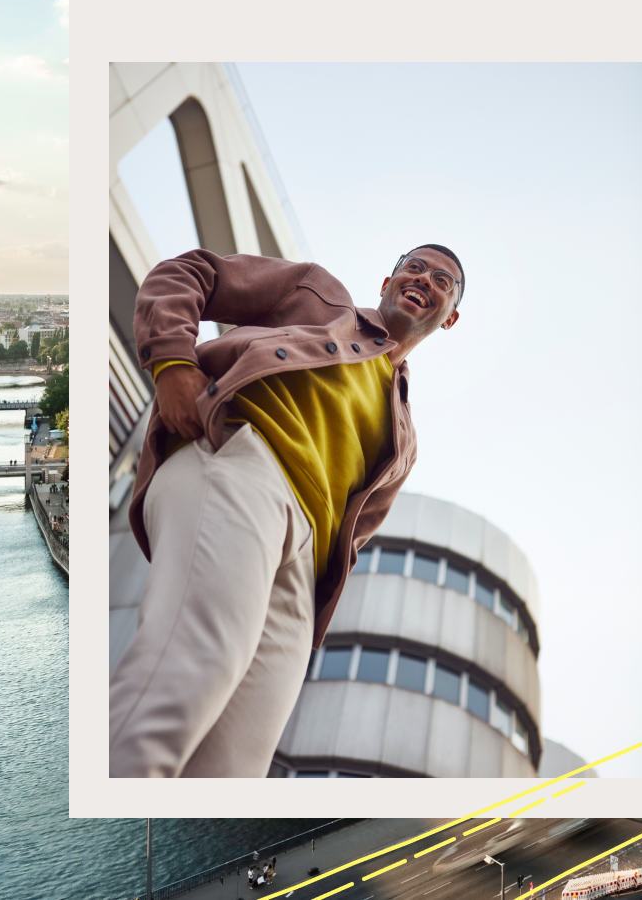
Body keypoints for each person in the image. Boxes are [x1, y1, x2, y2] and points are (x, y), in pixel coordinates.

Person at [109, 246, 463, 777]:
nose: (424, 280)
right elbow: (189, 272)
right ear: (388, 279)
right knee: (184, 677)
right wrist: (172, 362)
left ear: (450, 316)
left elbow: (356, 531)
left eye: (442, 280)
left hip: (302, 564)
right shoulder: (318, 294)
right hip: (240, 465)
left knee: (237, 765)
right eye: (415, 267)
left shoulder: (404, 439)